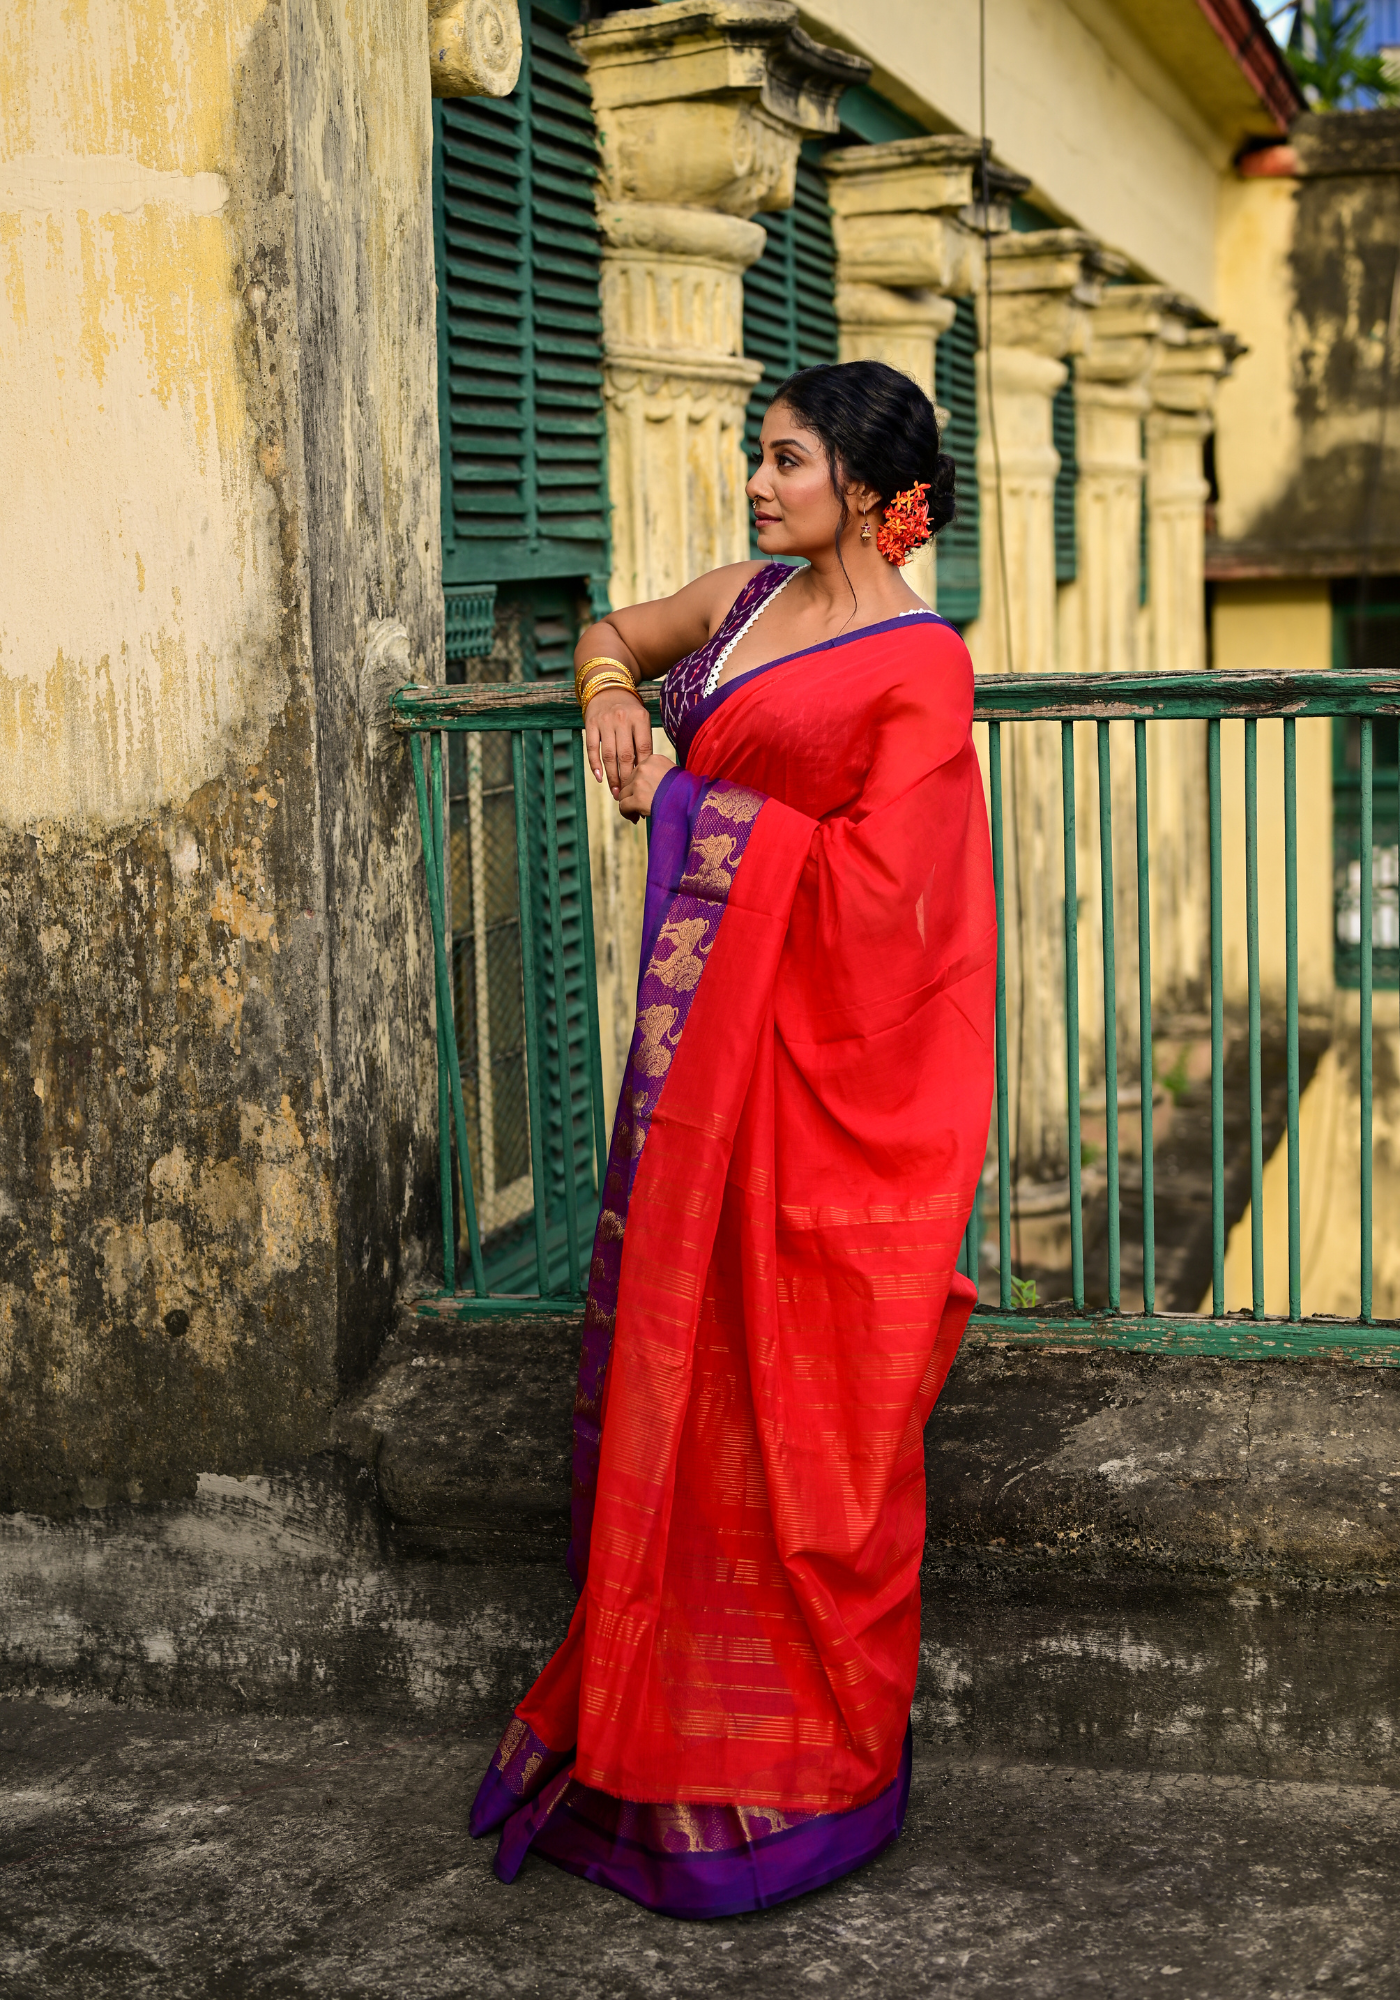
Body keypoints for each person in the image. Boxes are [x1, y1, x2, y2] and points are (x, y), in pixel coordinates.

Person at [469, 359, 996, 1918]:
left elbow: (901, 909)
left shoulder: (920, 665)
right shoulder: (750, 602)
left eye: (782, 461)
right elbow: (611, 635)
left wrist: (709, 805)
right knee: (678, 1393)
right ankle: (655, 1724)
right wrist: (616, 706)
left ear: (864, 482)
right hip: (691, 1084)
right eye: (755, 458)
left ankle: (795, 1765)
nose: (757, 485)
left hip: (808, 1101)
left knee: (796, 1413)